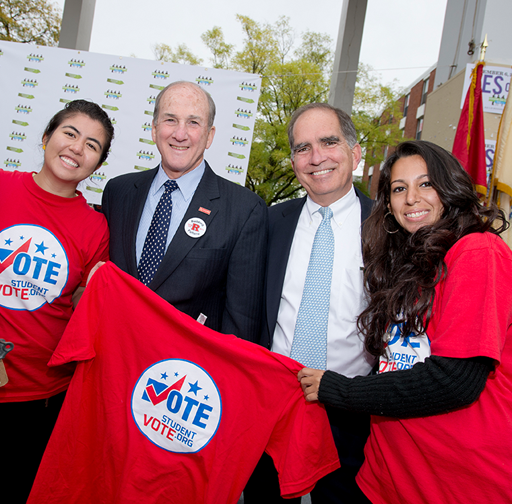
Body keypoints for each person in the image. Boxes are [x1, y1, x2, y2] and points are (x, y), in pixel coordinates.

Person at [298, 140, 511, 503]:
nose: (411, 198)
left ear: (451, 188)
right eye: (399, 188)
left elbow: (456, 380)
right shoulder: (410, 264)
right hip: (387, 476)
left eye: (425, 183)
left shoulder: (477, 252)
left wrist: (340, 389)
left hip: (456, 482)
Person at [0, 100, 113, 503]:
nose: (77, 147)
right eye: (69, 134)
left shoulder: (95, 226)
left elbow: (85, 303)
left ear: (98, 164)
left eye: (92, 145)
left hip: (45, 395)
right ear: (45, 138)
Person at [245, 103, 375, 503]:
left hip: (351, 411)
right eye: (303, 148)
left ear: (355, 153)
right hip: (274, 404)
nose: (316, 157)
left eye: (329, 142)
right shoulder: (269, 222)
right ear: (293, 161)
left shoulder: (388, 226)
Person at [101, 80, 267, 342]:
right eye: (170, 120)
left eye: (193, 122)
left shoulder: (244, 211)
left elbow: (241, 323)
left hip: (184, 374)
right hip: (113, 353)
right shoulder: (118, 192)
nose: (180, 134)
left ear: (209, 135)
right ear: (154, 130)